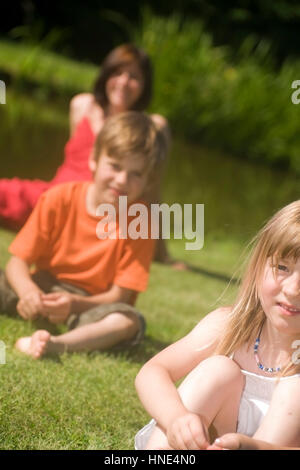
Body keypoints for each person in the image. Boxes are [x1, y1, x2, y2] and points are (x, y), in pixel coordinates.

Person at [134, 200, 300, 450]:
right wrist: (177, 418)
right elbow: (153, 371)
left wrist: (252, 447)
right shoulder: (229, 326)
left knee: (295, 389)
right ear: (257, 268)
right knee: (218, 370)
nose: (292, 290)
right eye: (282, 267)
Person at [0, 44, 183, 268]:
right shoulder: (81, 105)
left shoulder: (154, 127)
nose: (124, 82)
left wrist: (162, 254)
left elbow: (153, 191)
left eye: (134, 77)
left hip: (103, 211)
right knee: (8, 193)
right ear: (106, 75)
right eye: (117, 73)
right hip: (57, 197)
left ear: (144, 86)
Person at [0, 111, 165, 358]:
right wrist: (28, 294)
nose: (121, 180)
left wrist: (73, 304)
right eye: (115, 166)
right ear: (94, 160)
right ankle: (36, 313)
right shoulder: (59, 198)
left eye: (136, 173)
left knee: (127, 321)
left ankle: (56, 343)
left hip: (94, 303)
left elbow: (120, 295)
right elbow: (17, 263)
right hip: (42, 284)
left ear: (148, 181)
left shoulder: (141, 223)